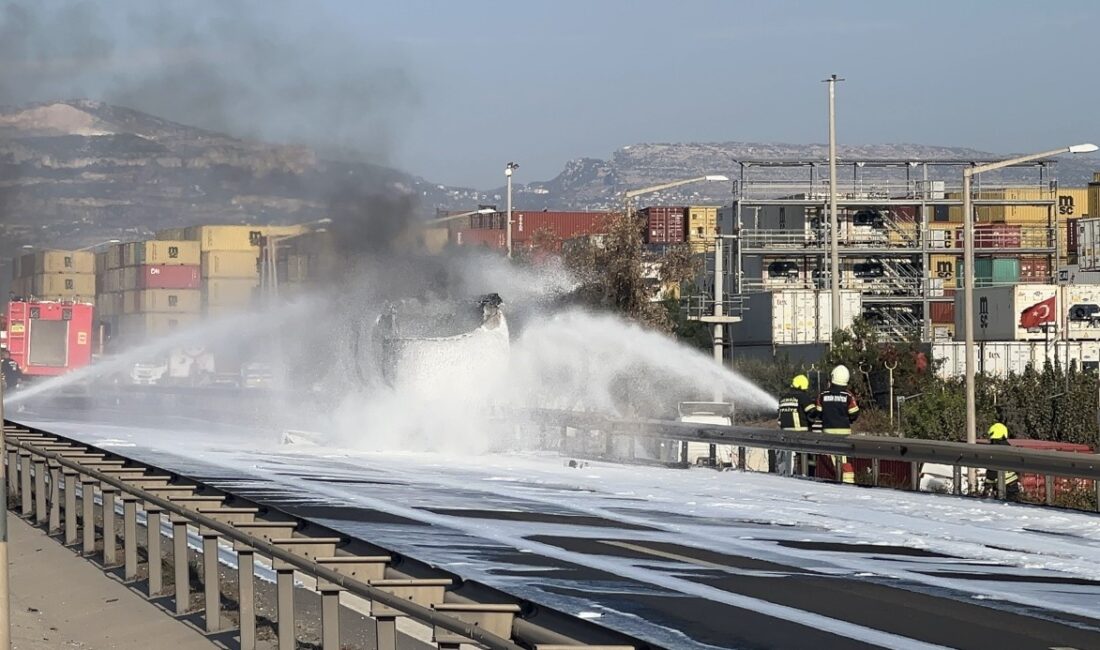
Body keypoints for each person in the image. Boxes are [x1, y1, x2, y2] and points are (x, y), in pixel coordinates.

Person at [816, 364, 860, 483]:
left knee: (831, 461)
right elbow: (854, 413)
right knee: (844, 461)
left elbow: (818, 412)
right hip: (844, 434)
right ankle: (848, 482)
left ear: (833, 377)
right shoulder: (848, 396)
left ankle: (836, 480)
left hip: (827, 433)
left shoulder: (823, 395)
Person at [776, 374, 816, 476]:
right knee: (809, 459)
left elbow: (779, 420)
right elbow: (812, 412)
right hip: (801, 435)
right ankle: (808, 476)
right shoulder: (802, 397)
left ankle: (787, 475)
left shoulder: (783, 398)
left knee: (787, 460)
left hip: (785, 435)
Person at [982, 422, 1020, 501]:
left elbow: (992, 471)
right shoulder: (1009, 447)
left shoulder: (993, 449)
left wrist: (987, 485)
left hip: (1001, 485)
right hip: (1012, 483)